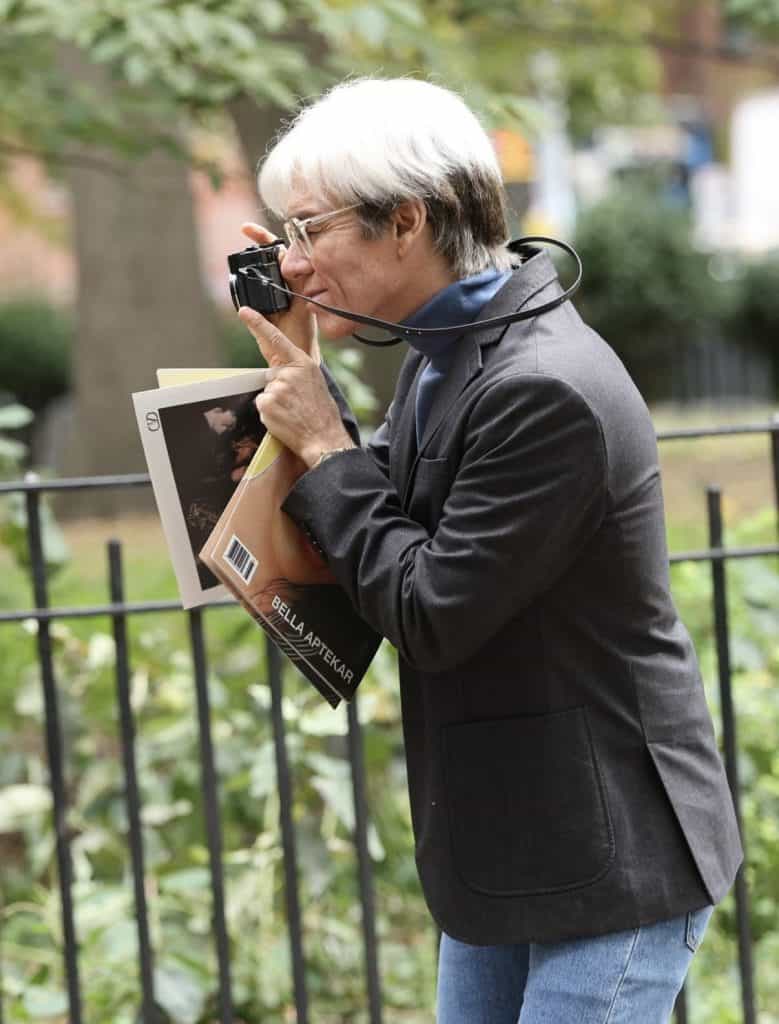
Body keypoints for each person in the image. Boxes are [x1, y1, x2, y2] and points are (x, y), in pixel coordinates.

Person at [236, 77, 742, 1023]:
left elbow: (431, 609)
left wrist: (329, 447)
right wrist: (298, 414)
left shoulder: (542, 385)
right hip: (514, 844)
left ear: (406, 220)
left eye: (307, 230)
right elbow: (368, 533)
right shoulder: (449, 357)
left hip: (613, 858)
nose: (292, 264)